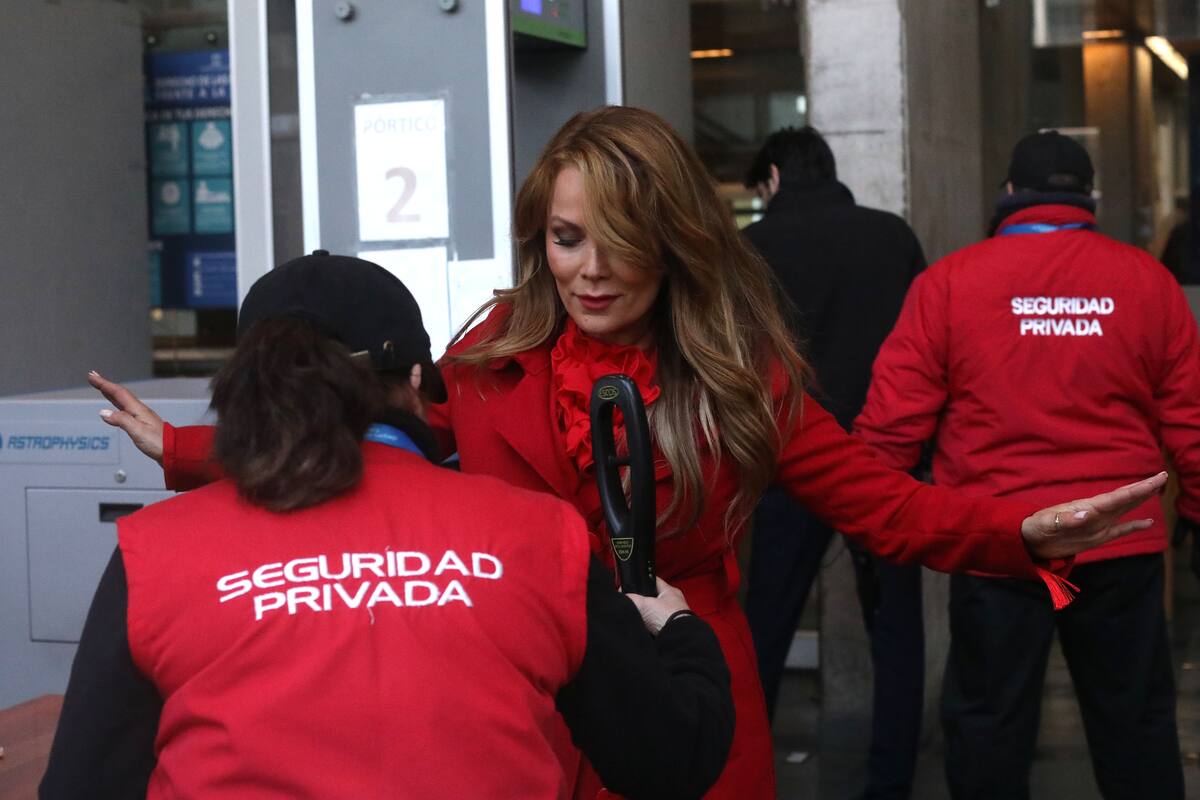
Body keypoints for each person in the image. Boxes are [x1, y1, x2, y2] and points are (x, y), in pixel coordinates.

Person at [91, 107, 1169, 799]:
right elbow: (371, 453)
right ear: (540, 238)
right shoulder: (489, 349)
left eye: (624, 240)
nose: (592, 270)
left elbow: (883, 504)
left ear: (677, 241)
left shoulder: (738, 367)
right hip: (535, 694)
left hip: (694, 686)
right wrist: (190, 451)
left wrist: (1015, 530)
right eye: (568, 239)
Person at [40, 253, 735, 800]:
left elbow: (82, 786)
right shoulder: (534, 537)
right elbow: (673, 757)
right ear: (411, 376)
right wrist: (678, 632)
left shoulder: (154, 555)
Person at [855, 130, 1200, 799]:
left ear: (1009, 195)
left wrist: (871, 517)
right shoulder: (1146, 281)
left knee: (989, 726)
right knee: (1135, 726)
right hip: (1120, 542)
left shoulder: (949, 284)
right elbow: (1189, 414)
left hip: (1000, 542)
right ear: (1089, 198)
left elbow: (892, 423)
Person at [741, 126, 927, 799]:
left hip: (786, 463)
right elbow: (923, 351)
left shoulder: (750, 249)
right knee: (896, 630)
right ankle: (891, 782)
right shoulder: (891, 237)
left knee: (763, 625)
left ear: (772, 179)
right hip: (882, 461)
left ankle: (749, 774)